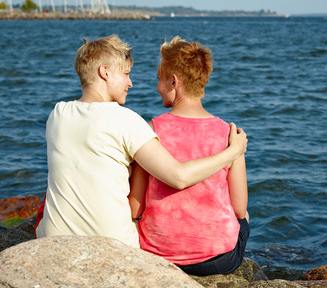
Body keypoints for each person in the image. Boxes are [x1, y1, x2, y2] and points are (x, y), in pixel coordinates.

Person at [35, 35, 247, 249]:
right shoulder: (127, 121)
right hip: (115, 244)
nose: (130, 82)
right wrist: (233, 152)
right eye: (126, 74)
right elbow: (178, 177)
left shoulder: (57, 113)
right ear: (105, 72)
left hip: (53, 240)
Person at [129, 36, 249, 275]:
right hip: (219, 259)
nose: (156, 87)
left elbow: (135, 208)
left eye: (158, 80)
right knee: (244, 215)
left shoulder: (151, 130)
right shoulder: (229, 134)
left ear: (174, 81)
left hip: (159, 255)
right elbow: (238, 209)